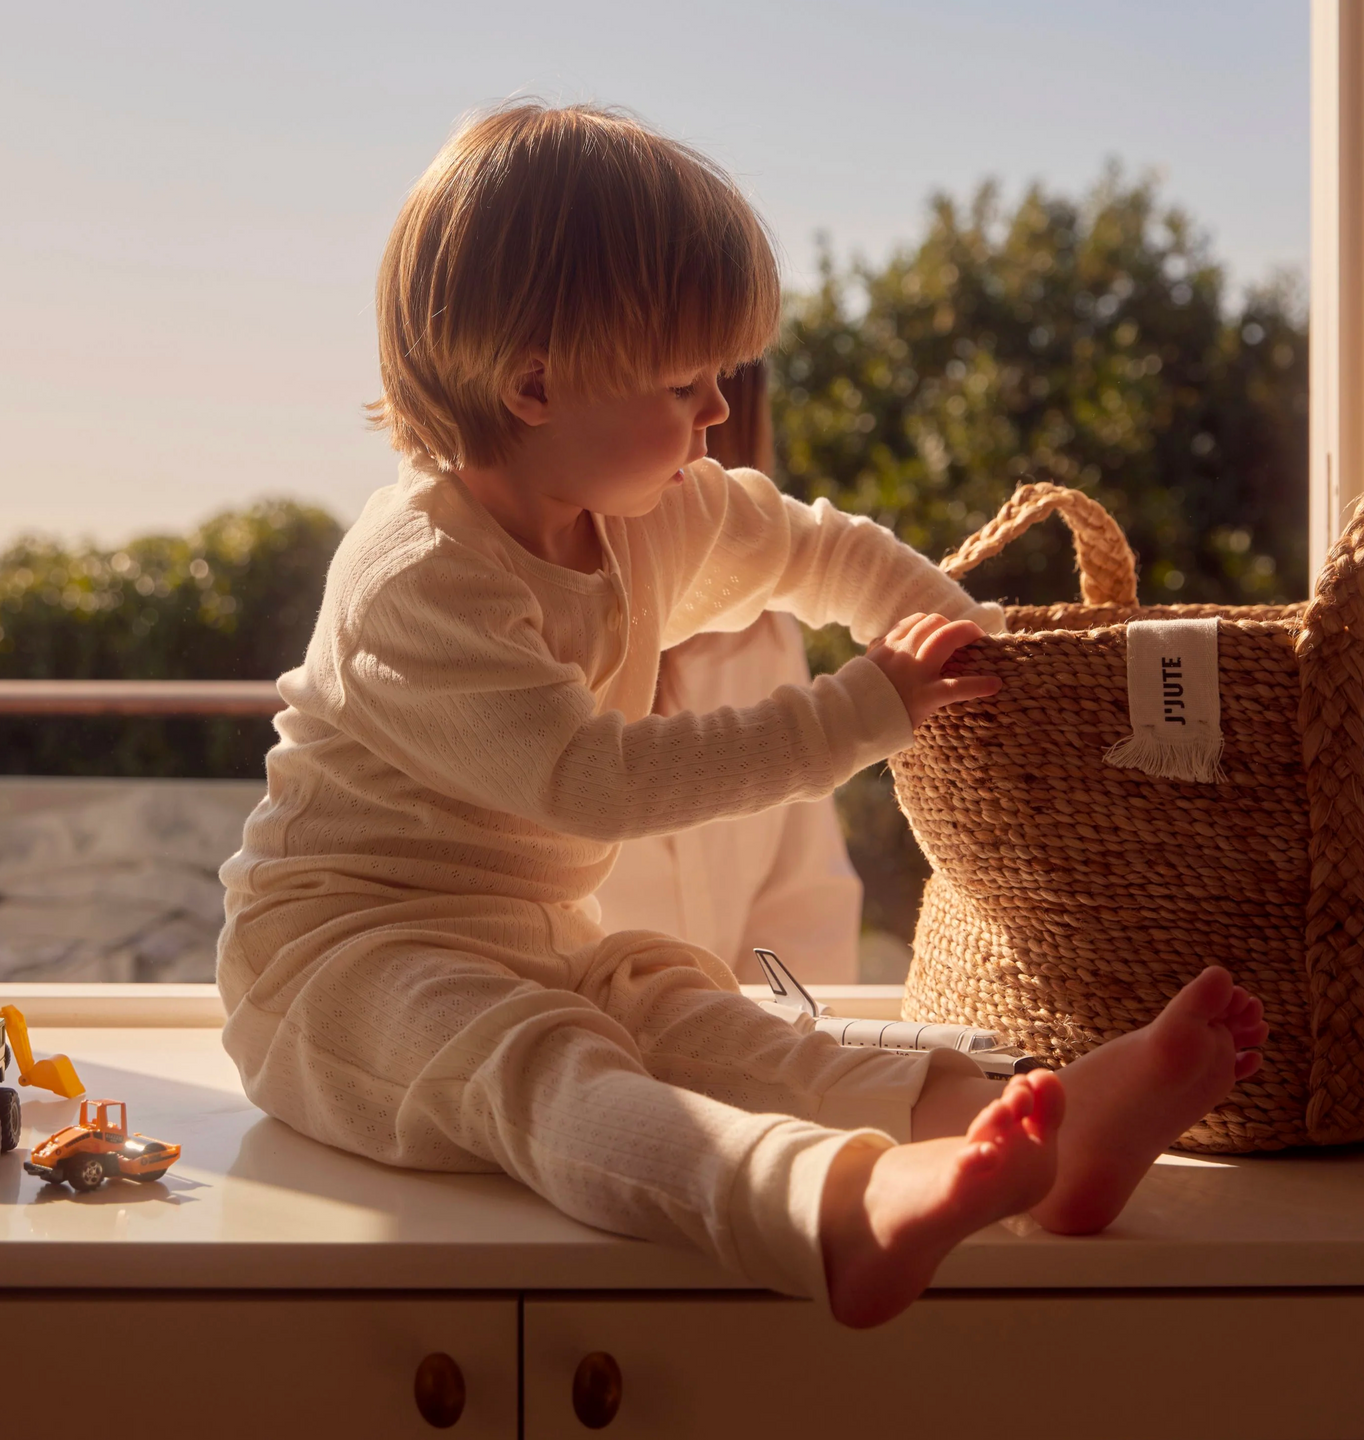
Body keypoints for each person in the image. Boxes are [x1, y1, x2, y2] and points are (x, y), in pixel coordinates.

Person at [216, 103, 1268, 1329]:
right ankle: (836, 1210)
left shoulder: (649, 508)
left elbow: (822, 549)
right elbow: (593, 780)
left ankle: (1024, 1122)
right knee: (550, 1074)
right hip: (340, 964)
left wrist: (980, 661)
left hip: (542, 932)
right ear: (536, 384)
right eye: (684, 382)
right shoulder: (419, 578)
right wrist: (863, 710)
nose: (718, 412)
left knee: (712, 1019)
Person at [596, 361, 864, 982]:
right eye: (683, 384)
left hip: (720, 1060)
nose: (709, 413)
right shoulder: (509, 623)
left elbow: (803, 907)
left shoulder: (764, 635)